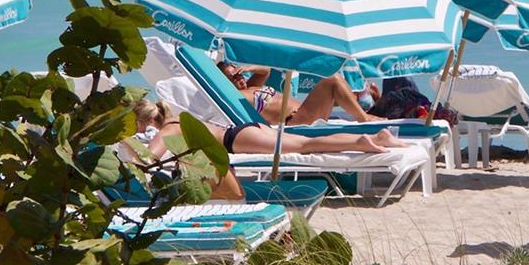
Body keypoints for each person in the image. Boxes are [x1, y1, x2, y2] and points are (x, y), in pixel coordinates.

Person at [132, 98, 409, 159]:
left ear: (146, 122)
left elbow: (148, 159)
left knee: (307, 145)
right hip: (244, 131)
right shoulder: (179, 118)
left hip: (236, 140)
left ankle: (361, 141)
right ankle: (378, 136)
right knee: (305, 142)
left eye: (137, 125)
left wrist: (129, 145)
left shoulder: (169, 129)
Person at [218, 62, 380, 126]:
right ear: (224, 82)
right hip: (296, 121)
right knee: (333, 80)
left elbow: (266, 70)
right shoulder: (239, 98)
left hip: (304, 113)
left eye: (239, 74)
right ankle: (364, 117)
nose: (240, 78)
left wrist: (247, 68)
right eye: (233, 77)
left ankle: (364, 108)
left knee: (335, 85)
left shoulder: (251, 87)